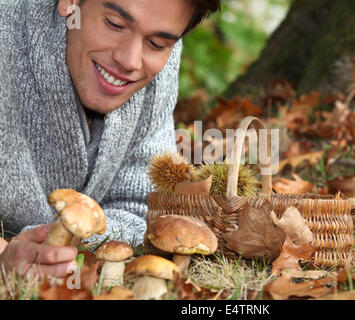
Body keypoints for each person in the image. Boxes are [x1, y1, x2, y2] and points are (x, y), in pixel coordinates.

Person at [0, 0, 221, 277]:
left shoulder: (159, 67)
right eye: (114, 24)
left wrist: (66, 249)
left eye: (157, 44)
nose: (129, 60)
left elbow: (142, 204)